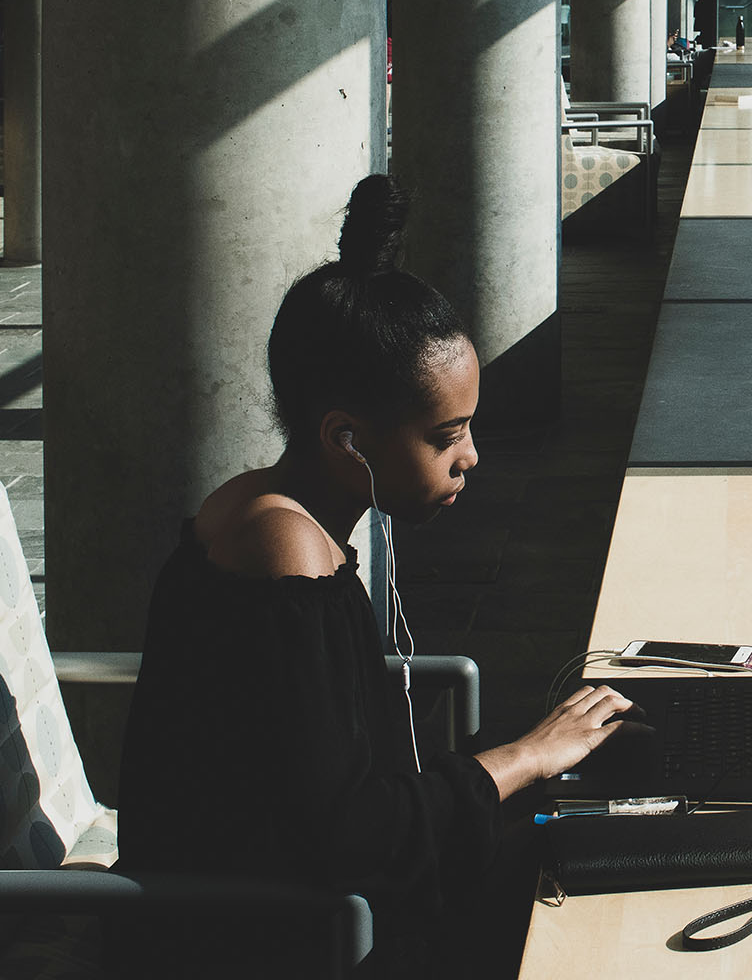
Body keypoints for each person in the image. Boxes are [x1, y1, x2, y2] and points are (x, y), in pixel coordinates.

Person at [115, 174, 636, 978]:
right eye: (446, 436)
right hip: (264, 933)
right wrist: (529, 755)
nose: (471, 458)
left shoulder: (254, 503)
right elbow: (350, 835)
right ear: (346, 438)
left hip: (275, 893)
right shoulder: (284, 556)